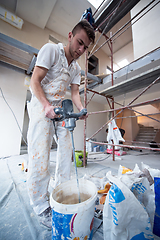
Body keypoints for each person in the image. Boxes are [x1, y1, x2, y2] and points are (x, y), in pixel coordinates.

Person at [27, 19, 95, 229]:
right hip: (42, 105)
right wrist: (46, 106)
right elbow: (34, 81)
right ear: (69, 36)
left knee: (67, 152)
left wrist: (80, 108)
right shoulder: (51, 51)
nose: (81, 49)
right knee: (41, 157)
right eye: (79, 42)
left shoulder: (75, 69)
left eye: (85, 47)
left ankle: (62, 193)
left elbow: (74, 93)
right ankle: (40, 206)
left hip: (60, 109)